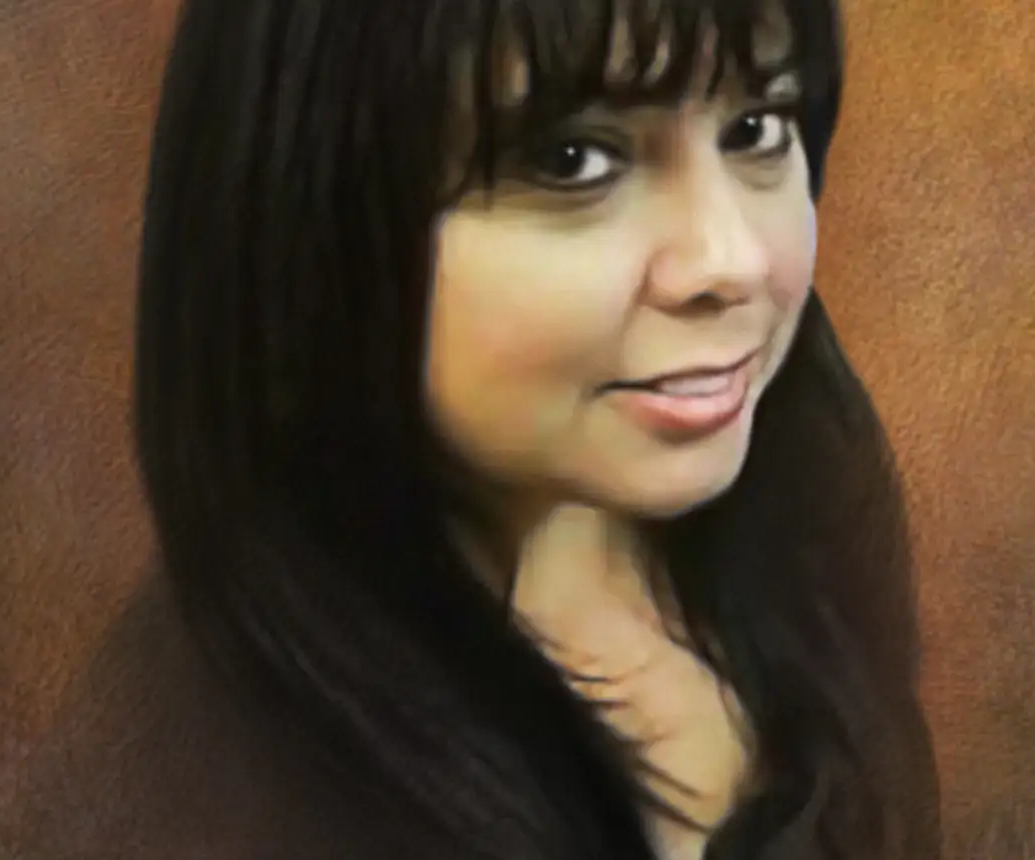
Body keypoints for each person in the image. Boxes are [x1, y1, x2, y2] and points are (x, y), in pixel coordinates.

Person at [132, 0, 942, 858]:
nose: (731, 261)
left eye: (756, 130)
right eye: (573, 160)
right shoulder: (219, 769)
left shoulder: (807, 470)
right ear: (308, 218)